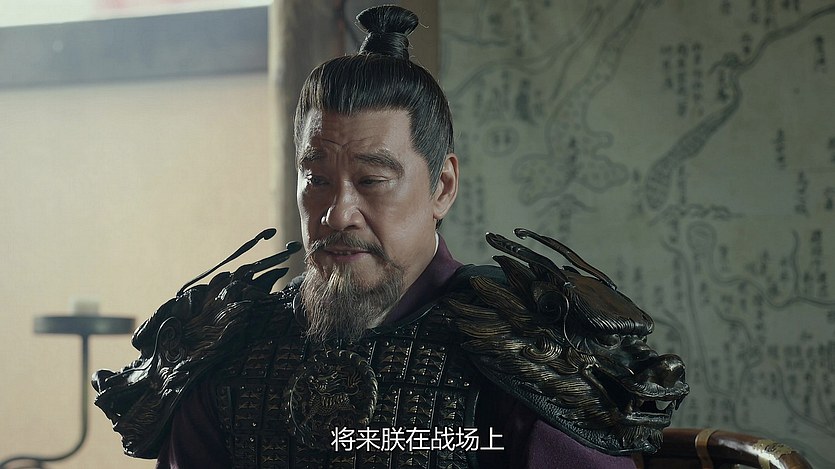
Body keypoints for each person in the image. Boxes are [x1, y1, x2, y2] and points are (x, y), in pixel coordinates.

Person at [93, 5, 688, 468]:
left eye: (372, 180)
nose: (337, 214)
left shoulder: (525, 355)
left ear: (442, 186)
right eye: (317, 180)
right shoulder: (234, 352)